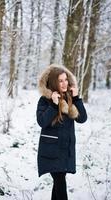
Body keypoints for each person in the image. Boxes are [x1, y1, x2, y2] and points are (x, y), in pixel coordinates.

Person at [36, 64, 87, 200]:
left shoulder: (69, 98)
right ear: (54, 82)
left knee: (58, 183)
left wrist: (76, 99)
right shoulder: (45, 100)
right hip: (51, 150)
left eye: (66, 80)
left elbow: (82, 119)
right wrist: (53, 104)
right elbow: (42, 121)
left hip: (65, 149)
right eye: (60, 81)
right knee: (60, 182)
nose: (64, 84)